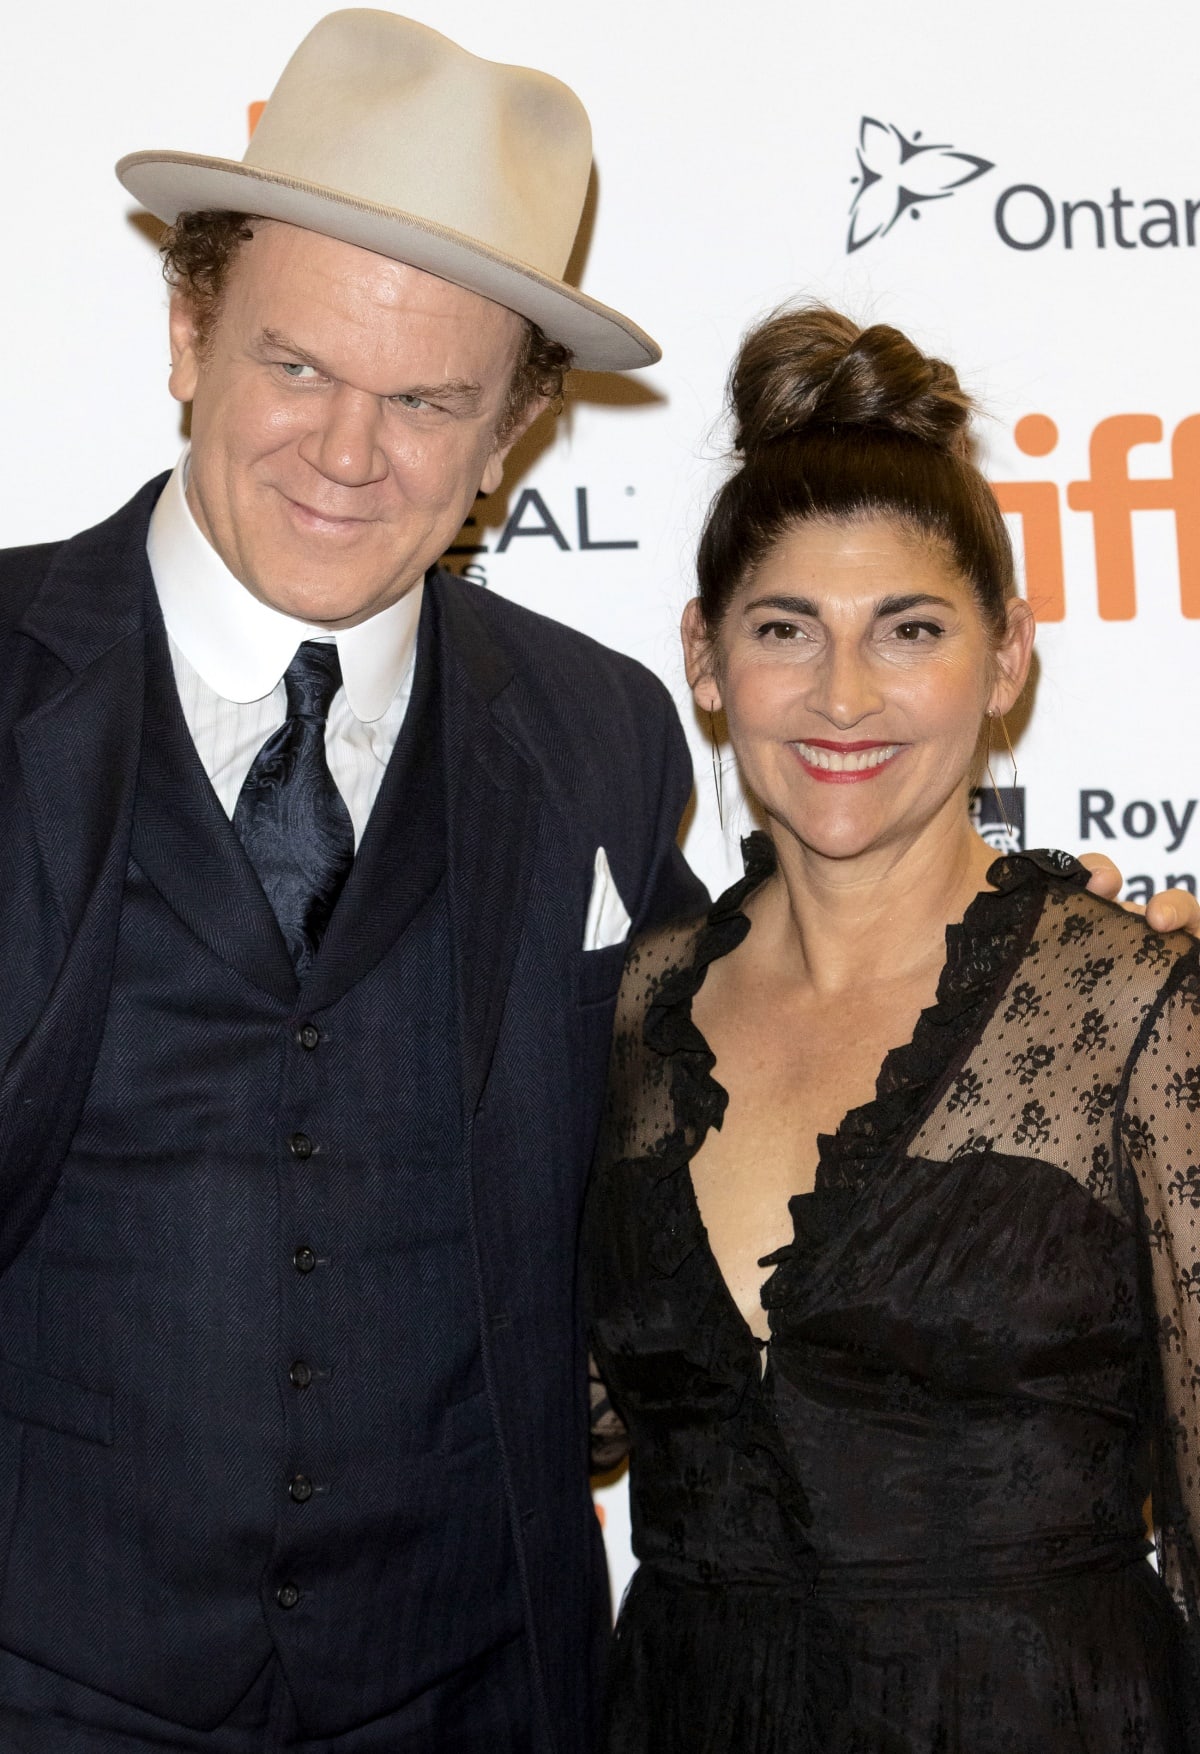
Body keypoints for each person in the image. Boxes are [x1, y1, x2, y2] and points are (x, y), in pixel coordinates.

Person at [0, 12, 706, 1752]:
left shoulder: (600, 734)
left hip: (469, 1682)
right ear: (188, 329)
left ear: (515, 431)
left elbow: (725, 1068)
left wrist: (1010, 947)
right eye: (298, 365)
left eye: (427, 400)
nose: (346, 451)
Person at [584, 306, 1200, 1753]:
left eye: (908, 630)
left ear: (1007, 658)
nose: (843, 695)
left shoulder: (1131, 1011)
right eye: (786, 629)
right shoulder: (634, 1006)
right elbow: (572, 1412)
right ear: (707, 656)